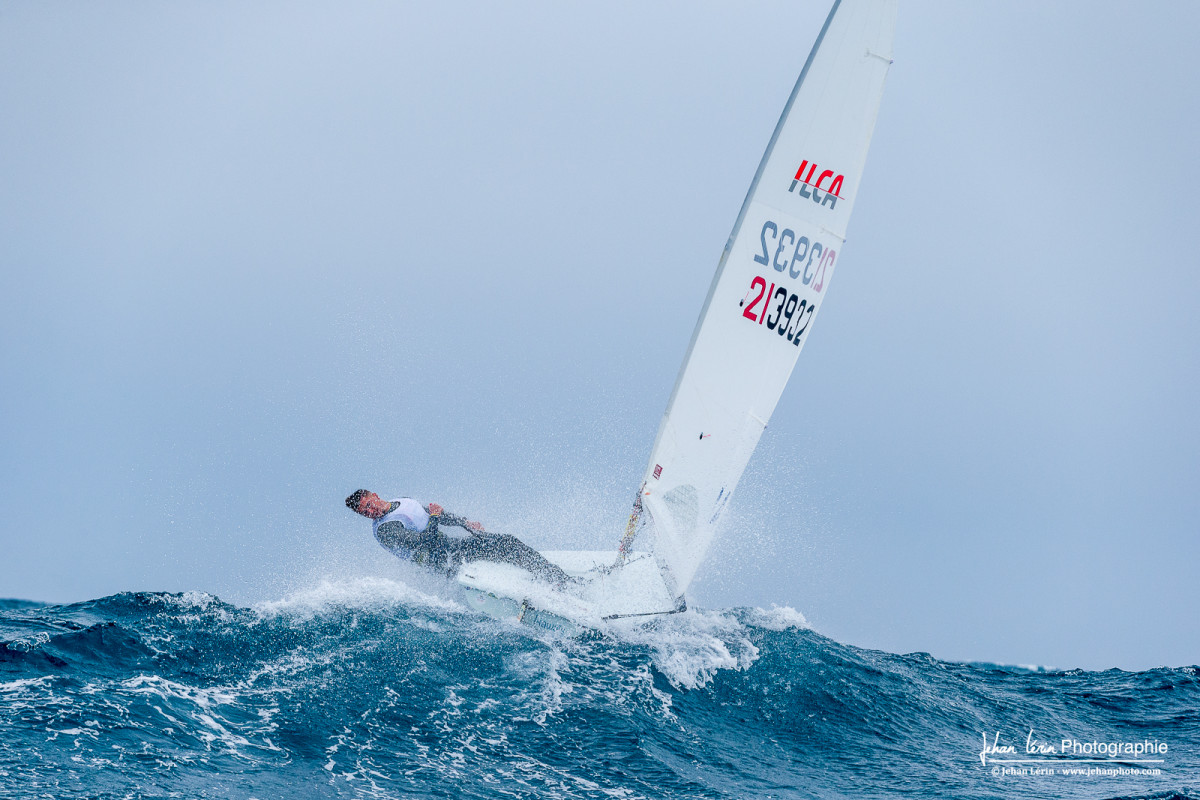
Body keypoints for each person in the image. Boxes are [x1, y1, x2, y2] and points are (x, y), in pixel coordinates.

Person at [345, 490, 572, 586]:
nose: (370, 512)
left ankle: (554, 576)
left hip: (450, 548)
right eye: (364, 512)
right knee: (503, 546)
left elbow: (432, 513)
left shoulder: (401, 502)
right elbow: (426, 542)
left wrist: (465, 522)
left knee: (506, 542)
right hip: (440, 560)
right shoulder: (386, 529)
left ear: (375, 495)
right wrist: (435, 516)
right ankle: (554, 581)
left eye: (369, 505)